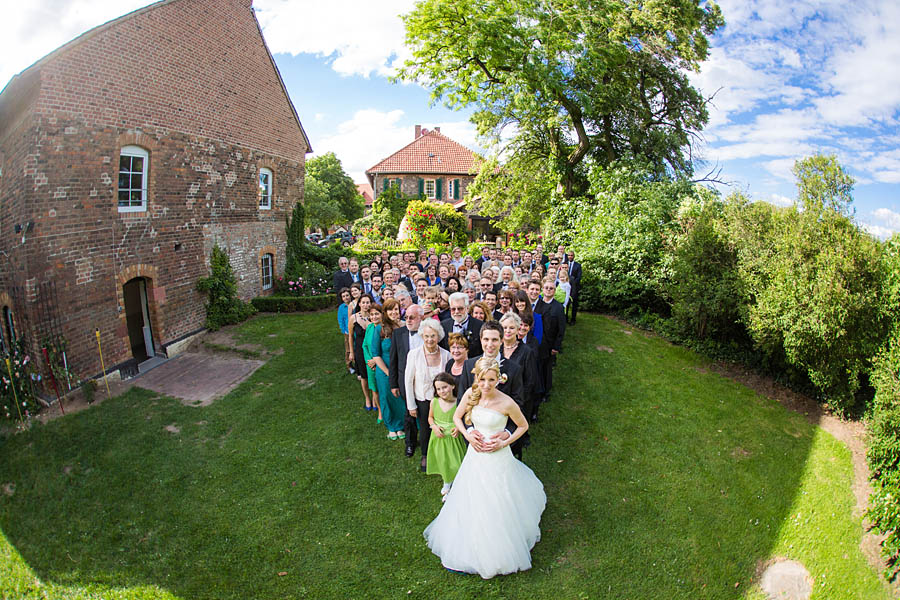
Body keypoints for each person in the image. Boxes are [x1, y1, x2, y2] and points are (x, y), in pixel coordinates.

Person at [423, 356, 545, 579]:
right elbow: (458, 417)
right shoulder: (471, 394)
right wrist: (469, 434)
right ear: (476, 379)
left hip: (498, 456)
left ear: (499, 379)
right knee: (471, 496)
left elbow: (523, 425)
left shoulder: (507, 402)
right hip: (475, 455)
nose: (486, 385)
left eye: (491, 379)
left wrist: (504, 441)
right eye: (482, 380)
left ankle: (500, 543)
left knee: (498, 498)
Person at [405, 318, 452, 471]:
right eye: (426, 336)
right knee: (425, 428)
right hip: (423, 399)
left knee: (442, 428)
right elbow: (408, 381)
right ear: (422, 336)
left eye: (433, 336)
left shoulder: (447, 355)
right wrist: (411, 405)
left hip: (442, 400)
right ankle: (425, 455)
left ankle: (443, 454)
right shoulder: (413, 354)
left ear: (438, 336)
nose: (430, 339)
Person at [390, 304, 423, 458]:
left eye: (412, 317)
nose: (408, 320)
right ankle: (410, 443)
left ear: (421, 318)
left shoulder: (428, 333)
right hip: (405, 381)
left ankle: (427, 441)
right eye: (406, 317)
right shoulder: (398, 334)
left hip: (424, 381)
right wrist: (394, 384)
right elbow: (393, 360)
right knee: (409, 414)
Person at [369, 299, 406, 440]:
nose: (394, 312)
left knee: (400, 398)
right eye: (390, 310)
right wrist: (389, 373)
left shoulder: (403, 326)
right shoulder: (379, 328)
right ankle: (391, 426)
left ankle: (402, 424)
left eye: (396, 309)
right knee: (387, 397)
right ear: (385, 312)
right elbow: (376, 354)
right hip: (385, 371)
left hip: (401, 369)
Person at [427, 372, 466, 500]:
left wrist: (459, 428)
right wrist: (434, 426)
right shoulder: (434, 402)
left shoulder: (458, 403)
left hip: (454, 439)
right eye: (438, 389)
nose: (442, 391)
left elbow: (465, 419)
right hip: (439, 438)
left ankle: (457, 484)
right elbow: (430, 417)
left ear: (453, 386)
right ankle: (447, 482)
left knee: (456, 462)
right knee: (443, 462)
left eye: (444, 387)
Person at [349, 294, 374, 411]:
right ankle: (367, 398)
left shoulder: (374, 317)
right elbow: (350, 337)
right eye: (363, 302)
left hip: (372, 350)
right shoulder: (353, 318)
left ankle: (375, 398)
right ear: (359, 304)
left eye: (368, 302)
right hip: (359, 350)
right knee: (364, 376)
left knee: (372, 374)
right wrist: (351, 352)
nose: (365, 305)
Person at [440, 292, 483, 357]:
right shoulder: (444, 326)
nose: (456, 312)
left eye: (460, 309)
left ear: (467, 309)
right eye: (453, 309)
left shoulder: (480, 326)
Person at [363, 303, 384, 422]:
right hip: (370, 365)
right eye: (372, 314)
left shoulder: (384, 328)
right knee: (374, 389)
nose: (374, 317)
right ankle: (380, 411)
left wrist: (376, 361)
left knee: (383, 388)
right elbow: (364, 345)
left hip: (380, 364)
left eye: (377, 314)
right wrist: (369, 361)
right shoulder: (370, 327)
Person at [337, 288, 352, 373]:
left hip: (355, 330)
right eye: (343, 296)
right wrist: (344, 330)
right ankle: (349, 365)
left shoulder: (354, 304)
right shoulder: (342, 307)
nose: (346, 298)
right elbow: (340, 319)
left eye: (347, 295)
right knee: (348, 349)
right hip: (347, 331)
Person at [565, 250, 582, 324]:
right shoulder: (564, 264)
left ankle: (573, 319)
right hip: (565, 286)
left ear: (574, 256)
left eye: (571, 255)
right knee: (566, 303)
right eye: (569, 255)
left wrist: (572, 283)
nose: (570, 257)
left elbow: (579, 277)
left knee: (574, 304)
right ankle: (565, 318)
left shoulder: (578, 265)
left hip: (574, 287)